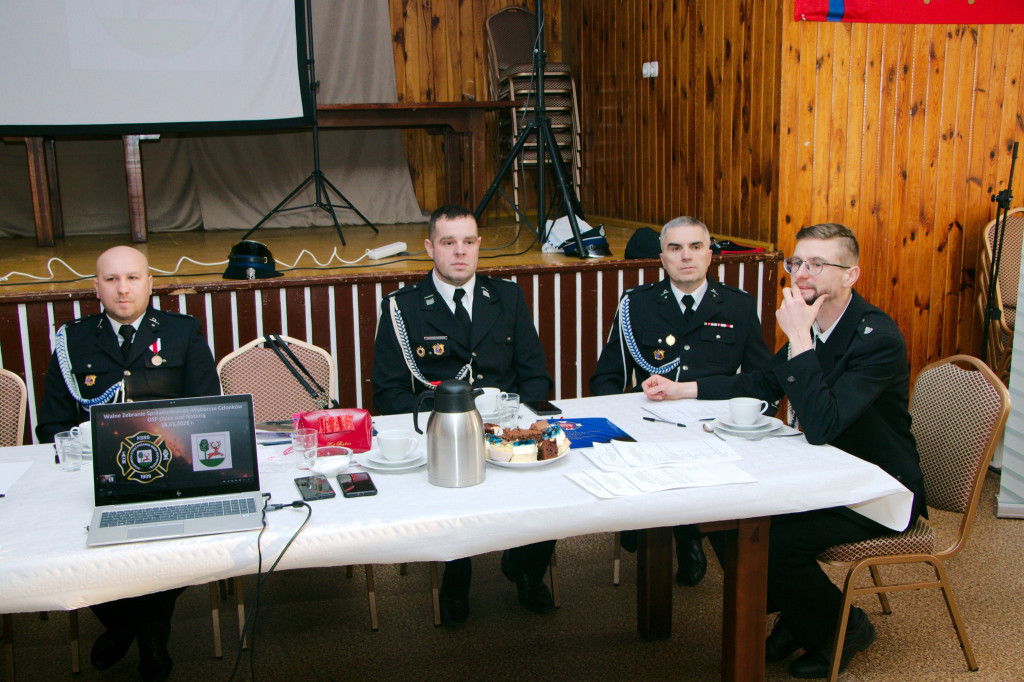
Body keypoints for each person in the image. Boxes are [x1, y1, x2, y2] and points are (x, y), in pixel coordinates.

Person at [643, 223, 928, 679]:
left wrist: (799, 339)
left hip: (876, 487)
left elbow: (823, 425)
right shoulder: (815, 324)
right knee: (727, 515)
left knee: (772, 541)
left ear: (851, 275)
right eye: (797, 262)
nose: (802, 273)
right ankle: (798, 614)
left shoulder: (876, 338)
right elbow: (762, 382)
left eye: (817, 264)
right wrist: (684, 389)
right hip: (824, 474)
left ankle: (844, 626)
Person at [36, 245, 221, 682]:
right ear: (96, 287)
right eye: (112, 279)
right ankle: (126, 623)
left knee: (179, 537)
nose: (123, 289)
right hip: (95, 475)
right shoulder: (73, 341)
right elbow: (52, 425)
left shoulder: (182, 332)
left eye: (133, 278)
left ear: (150, 284)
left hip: (170, 472)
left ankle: (147, 630)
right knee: (70, 535)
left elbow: (209, 412)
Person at [371, 204, 555, 628]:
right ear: (429, 247)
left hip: (505, 432)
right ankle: (455, 577)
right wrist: (446, 422)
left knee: (551, 480)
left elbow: (536, 375)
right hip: (444, 435)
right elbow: (389, 392)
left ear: (478, 245)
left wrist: (517, 424)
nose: (460, 252)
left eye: (468, 242)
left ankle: (527, 568)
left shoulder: (507, 297)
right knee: (448, 487)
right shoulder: (403, 308)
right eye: (448, 242)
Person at [590, 216, 771, 586]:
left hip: (713, 429)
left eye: (695, 247)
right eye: (675, 248)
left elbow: (762, 383)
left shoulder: (737, 307)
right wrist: (616, 424)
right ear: (662, 258)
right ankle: (663, 528)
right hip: (649, 427)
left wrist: (694, 390)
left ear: (710, 255)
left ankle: (688, 534)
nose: (686, 256)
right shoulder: (637, 305)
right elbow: (607, 378)